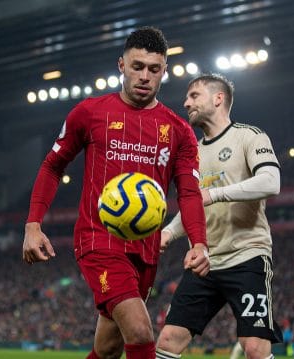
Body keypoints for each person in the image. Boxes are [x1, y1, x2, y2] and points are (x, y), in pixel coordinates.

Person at [22, 27, 209, 359]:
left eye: (154, 69)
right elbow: (53, 166)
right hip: (99, 239)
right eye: (137, 66)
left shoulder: (179, 131)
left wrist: (198, 241)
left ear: (164, 72)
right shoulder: (90, 113)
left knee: (108, 347)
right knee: (139, 329)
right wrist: (33, 225)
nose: (144, 76)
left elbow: (190, 193)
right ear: (121, 65)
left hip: (146, 249)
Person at [156, 73, 282, 359]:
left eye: (194, 95)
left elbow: (270, 182)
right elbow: (193, 205)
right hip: (205, 262)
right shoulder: (192, 152)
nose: (186, 102)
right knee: (168, 339)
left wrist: (216, 193)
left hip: (247, 257)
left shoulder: (250, 136)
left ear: (218, 98)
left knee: (254, 347)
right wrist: (168, 232)